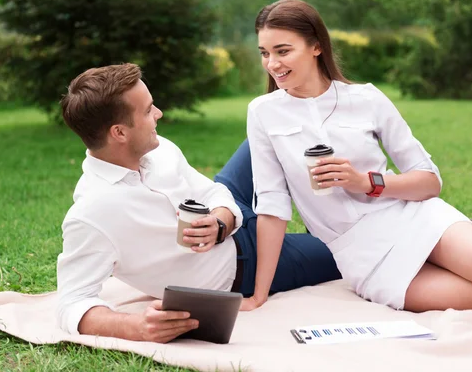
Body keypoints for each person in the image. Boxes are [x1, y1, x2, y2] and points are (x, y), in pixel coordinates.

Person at [242, 0, 472, 315]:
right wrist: (259, 295)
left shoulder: (366, 99)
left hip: (411, 218)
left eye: (283, 51)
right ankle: (458, 249)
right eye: (265, 53)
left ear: (316, 46)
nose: (272, 64)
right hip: (362, 256)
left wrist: (365, 182)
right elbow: (272, 206)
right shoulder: (263, 113)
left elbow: (429, 181)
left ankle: (455, 245)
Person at [57, 63, 341, 343]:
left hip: (230, 214)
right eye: (147, 111)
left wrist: (219, 222)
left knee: (275, 126)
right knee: (346, 249)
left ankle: (351, 185)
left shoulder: (158, 149)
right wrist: (137, 327)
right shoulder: (91, 215)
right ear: (119, 132)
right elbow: (72, 303)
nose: (159, 113)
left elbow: (213, 192)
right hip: (244, 266)